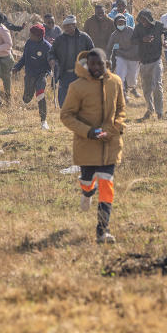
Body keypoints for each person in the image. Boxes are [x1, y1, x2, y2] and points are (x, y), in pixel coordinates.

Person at [60, 49, 125, 243]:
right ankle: (87, 192)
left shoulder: (116, 82)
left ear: (106, 63)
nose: (96, 68)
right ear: (87, 64)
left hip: (110, 143)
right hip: (86, 144)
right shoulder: (77, 87)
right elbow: (66, 116)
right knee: (88, 182)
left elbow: (121, 109)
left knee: (107, 185)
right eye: (92, 64)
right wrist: (89, 132)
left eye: (100, 64)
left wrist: (115, 128)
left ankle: (102, 231)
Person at [12, 24, 52, 129]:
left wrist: (53, 70)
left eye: (31, 34)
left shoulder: (47, 47)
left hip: (41, 74)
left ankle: (43, 121)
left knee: (40, 94)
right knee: (27, 98)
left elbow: (52, 62)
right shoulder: (29, 43)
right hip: (30, 74)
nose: (29, 35)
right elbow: (24, 58)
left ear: (39, 36)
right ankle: (25, 100)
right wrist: (17, 67)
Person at [50, 15, 95, 106]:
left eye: (68, 26)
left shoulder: (84, 37)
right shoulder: (60, 39)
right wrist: (51, 59)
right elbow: (52, 52)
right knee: (63, 99)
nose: (66, 28)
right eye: (65, 26)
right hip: (65, 73)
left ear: (74, 25)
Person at [133, 9, 167, 120]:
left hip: (156, 60)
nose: (143, 22)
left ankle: (160, 112)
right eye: (141, 20)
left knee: (157, 85)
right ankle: (150, 109)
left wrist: (166, 41)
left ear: (149, 19)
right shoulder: (138, 28)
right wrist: (142, 39)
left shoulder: (158, 25)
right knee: (146, 89)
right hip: (144, 62)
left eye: (144, 20)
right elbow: (133, 40)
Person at [107, 14, 140, 101]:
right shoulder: (114, 35)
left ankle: (131, 87)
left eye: (122, 22)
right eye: (119, 22)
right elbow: (109, 48)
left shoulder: (131, 31)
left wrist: (140, 55)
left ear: (125, 22)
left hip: (134, 57)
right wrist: (108, 60)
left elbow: (139, 43)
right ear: (115, 23)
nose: (121, 24)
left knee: (131, 81)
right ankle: (122, 95)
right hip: (121, 56)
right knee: (120, 76)